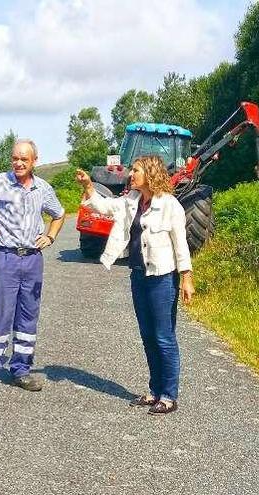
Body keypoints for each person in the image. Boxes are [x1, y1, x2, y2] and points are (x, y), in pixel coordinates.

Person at [74, 155, 195, 415]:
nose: (131, 174)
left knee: (164, 337)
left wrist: (186, 277)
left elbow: (181, 243)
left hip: (163, 278)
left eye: (136, 170)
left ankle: (169, 395)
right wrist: (88, 187)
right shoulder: (132, 200)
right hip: (138, 275)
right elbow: (104, 207)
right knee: (148, 336)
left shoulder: (170, 205)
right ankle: (154, 391)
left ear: (150, 173)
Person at [0, 139, 65, 395]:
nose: (18, 163)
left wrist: (50, 237)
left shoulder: (43, 188)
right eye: (15, 158)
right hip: (5, 258)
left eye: (24, 159)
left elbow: (59, 214)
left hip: (32, 260)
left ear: (34, 161)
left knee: (28, 315)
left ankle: (21, 370)